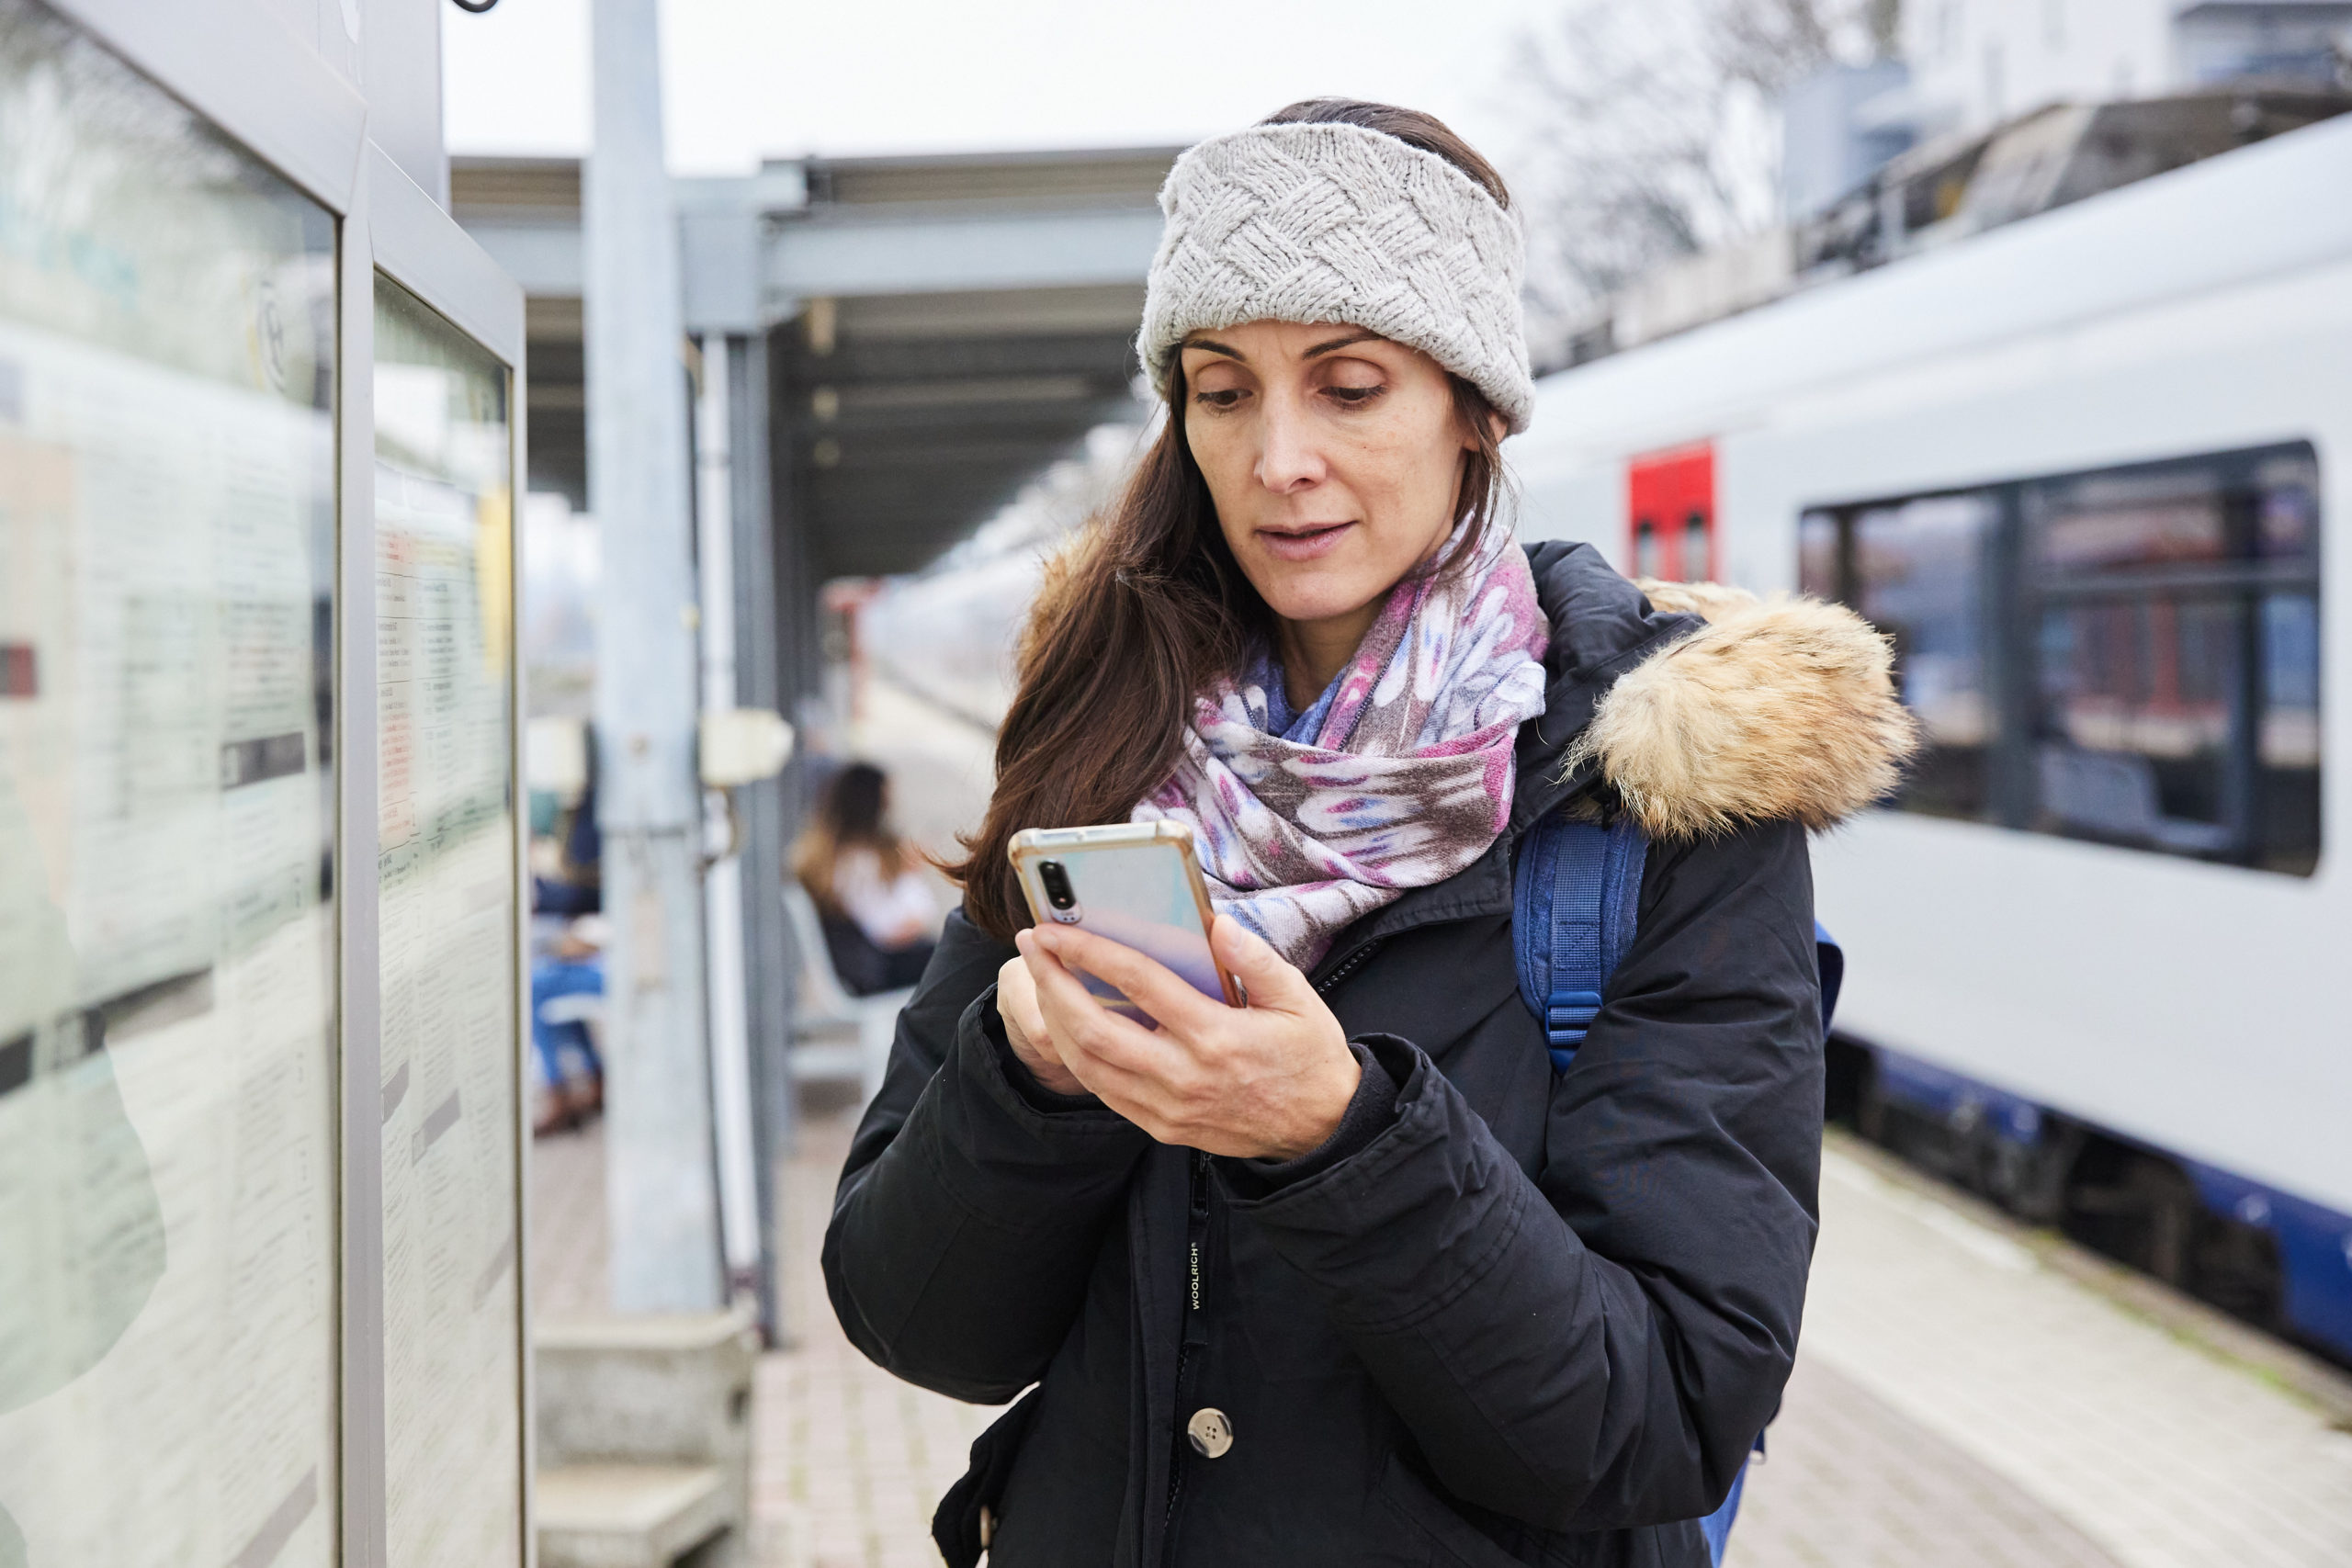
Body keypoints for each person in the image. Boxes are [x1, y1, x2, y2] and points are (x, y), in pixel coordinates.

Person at [823, 99, 1917, 1568]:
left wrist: (1339, 1137)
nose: (1279, 456)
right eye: (1223, 390)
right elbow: (916, 1320)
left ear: (1475, 404)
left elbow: (1657, 1417)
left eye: (1349, 385)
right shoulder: (1099, 737)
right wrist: (1028, 1082)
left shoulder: (1659, 796)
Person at [794, 761, 941, 996]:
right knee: (954, 957)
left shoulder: (833, 857)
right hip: (873, 973)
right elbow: (890, 931)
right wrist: (909, 879)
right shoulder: (858, 863)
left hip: (861, 967)